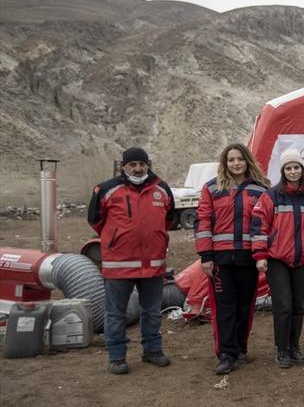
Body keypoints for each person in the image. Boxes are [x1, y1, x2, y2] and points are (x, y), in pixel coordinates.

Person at [87, 147, 174, 374]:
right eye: (132, 164)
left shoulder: (162, 189)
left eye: (142, 164)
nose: (138, 168)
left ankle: (152, 351)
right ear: (124, 166)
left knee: (152, 311)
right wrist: (117, 239)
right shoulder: (106, 189)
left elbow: (168, 220)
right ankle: (117, 357)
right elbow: (95, 220)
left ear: (148, 165)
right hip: (119, 265)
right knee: (116, 314)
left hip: (153, 265)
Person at [194, 143, 270, 375]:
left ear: (247, 161)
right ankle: (226, 354)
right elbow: (203, 222)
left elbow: (266, 223)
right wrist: (206, 256)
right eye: (231, 160)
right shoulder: (212, 188)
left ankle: (240, 348)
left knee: (245, 306)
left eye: (240, 159)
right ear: (224, 163)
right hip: (221, 259)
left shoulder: (261, 188)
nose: (236, 163)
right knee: (225, 308)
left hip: (249, 258)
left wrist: (262, 254)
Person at [251, 149, 304, 368]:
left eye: (296, 167)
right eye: (288, 168)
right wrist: (260, 255)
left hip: (301, 259)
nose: (293, 171)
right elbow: (259, 225)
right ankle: (282, 349)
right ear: (283, 171)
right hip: (277, 259)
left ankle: (294, 346)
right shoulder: (271, 196)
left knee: (298, 306)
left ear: (302, 169)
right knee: (283, 305)